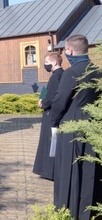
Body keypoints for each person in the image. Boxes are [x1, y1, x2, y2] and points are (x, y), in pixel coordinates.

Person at [50, 35, 102, 220]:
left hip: (71, 126)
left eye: (65, 50)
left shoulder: (71, 72)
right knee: (89, 169)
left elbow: (59, 101)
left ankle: (68, 210)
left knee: (69, 169)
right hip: (93, 126)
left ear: (70, 51)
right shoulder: (97, 70)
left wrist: (53, 122)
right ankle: (87, 211)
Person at [32, 52, 63, 180]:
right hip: (55, 113)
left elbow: (51, 97)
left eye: (46, 63)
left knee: (50, 141)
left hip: (51, 114)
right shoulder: (62, 74)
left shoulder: (56, 76)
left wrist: (42, 102)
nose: (45, 65)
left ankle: (49, 171)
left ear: (54, 62)